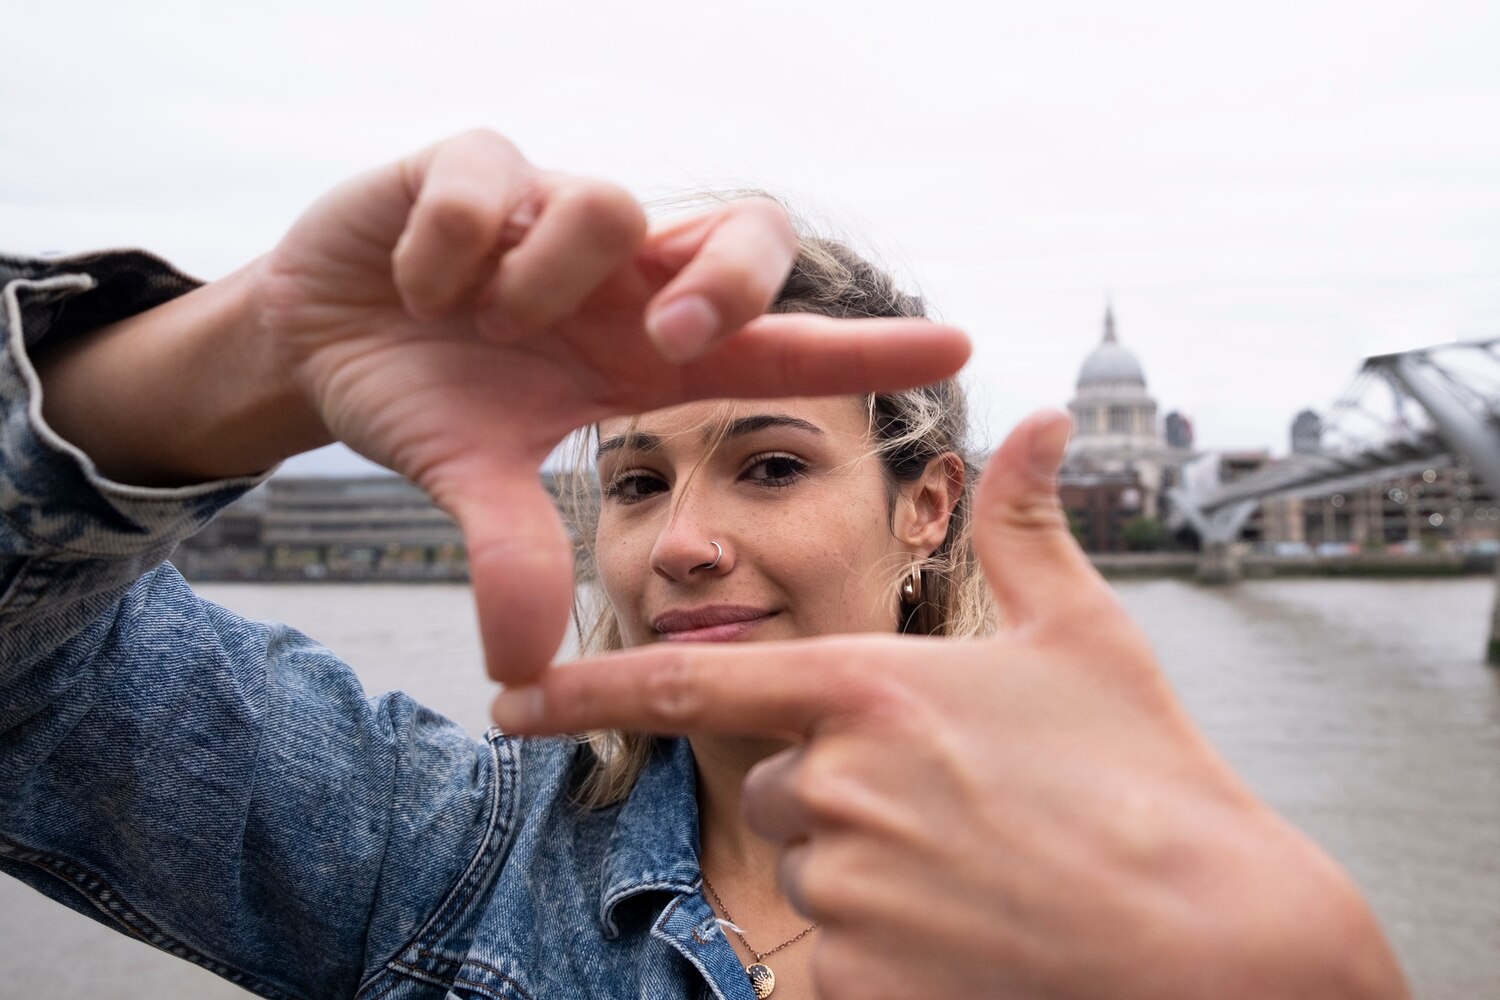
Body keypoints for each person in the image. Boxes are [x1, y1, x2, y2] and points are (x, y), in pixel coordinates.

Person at [0, 126, 1407, 1000]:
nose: (679, 545)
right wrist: (250, 357)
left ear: (930, 508)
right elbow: (36, 683)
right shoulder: (437, 851)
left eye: (774, 464)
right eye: (635, 481)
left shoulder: (1146, 923)